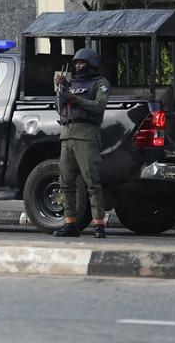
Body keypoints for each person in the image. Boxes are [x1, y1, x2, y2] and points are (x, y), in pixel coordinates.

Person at [52, 48, 110, 238]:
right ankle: (70, 223)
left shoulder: (99, 83)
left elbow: (99, 106)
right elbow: (59, 107)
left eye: (81, 63)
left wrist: (76, 99)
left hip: (86, 135)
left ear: (91, 64)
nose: (77, 66)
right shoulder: (71, 83)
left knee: (92, 182)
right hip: (67, 134)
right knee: (65, 183)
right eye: (76, 63)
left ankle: (99, 224)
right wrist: (59, 89)